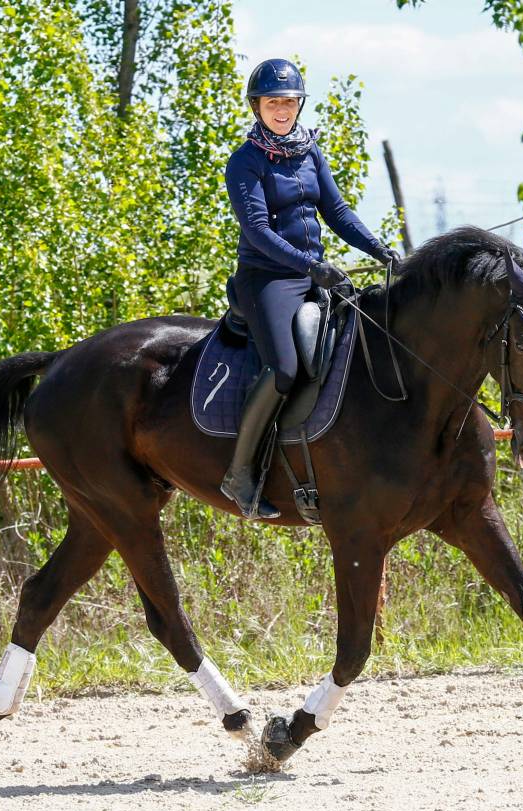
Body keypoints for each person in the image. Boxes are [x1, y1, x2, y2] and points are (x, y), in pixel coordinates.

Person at [220, 57, 402, 520]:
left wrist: (379, 248)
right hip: (267, 279)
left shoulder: (309, 152)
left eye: (289, 101)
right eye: (273, 102)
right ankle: (240, 476)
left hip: (312, 272)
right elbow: (258, 231)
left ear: (299, 105)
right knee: (284, 369)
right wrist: (313, 266)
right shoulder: (244, 163)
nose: (282, 110)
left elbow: (337, 213)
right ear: (256, 106)